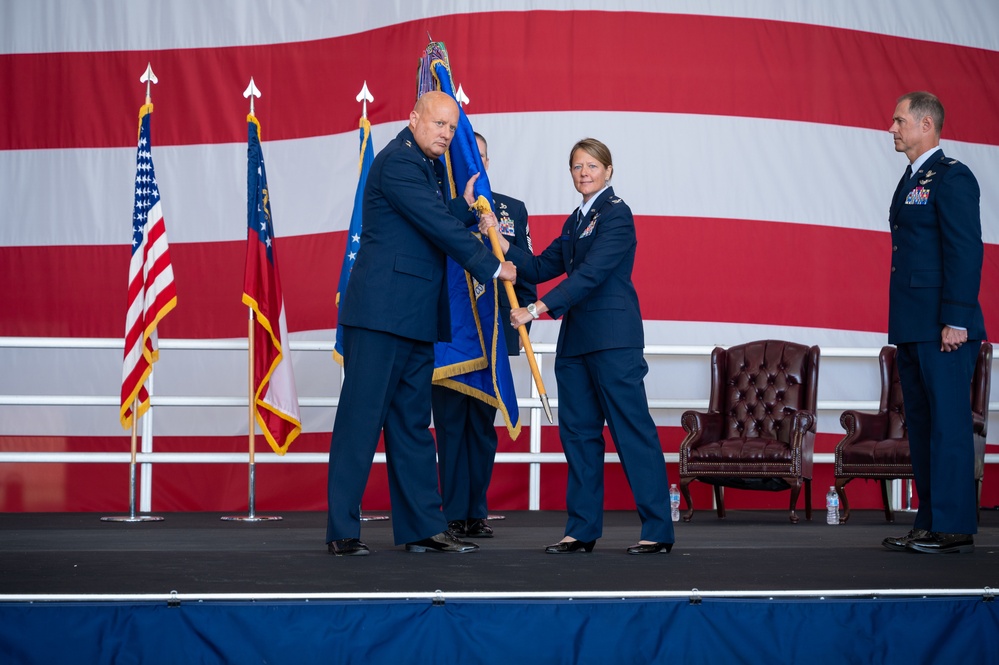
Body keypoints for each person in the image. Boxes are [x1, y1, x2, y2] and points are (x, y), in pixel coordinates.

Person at [326, 91, 517, 556]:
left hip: (414, 318)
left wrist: (463, 203)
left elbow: (421, 220)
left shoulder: (424, 167)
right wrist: (492, 265)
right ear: (414, 120)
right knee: (361, 421)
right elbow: (432, 224)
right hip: (380, 315)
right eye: (439, 124)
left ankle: (420, 529)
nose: (447, 135)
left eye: (452, 128)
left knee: (412, 425)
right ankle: (342, 532)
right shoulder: (398, 161)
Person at [481, 138, 674, 555]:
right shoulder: (575, 221)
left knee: (631, 431)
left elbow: (592, 274)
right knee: (579, 436)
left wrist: (537, 307)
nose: (583, 173)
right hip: (576, 344)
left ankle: (657, 530)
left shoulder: (617, 215)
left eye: (591, 165)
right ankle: (582, 530)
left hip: (613, 341)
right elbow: (536, 265)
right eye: (576, 167)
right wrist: (499, 238)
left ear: (608, 170)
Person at [881, 91, 986, 555]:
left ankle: (954, 524)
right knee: (921, 427)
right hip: (912, 325)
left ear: (926, 124)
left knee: (949, 425)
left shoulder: (952, 177)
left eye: (900, 120)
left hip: (944, 326)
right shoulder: (911, 179)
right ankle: (929, 520)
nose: (892, 128)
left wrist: (957, 319)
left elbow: (966, 250)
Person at [431, 132, 537, 539]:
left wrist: (524, 315)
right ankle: (453, 514)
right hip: (451, 339)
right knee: (451, 428)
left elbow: (527, 265)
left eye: (479, 158)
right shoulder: (437, 207)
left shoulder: (511, 209)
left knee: (482, 429)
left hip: (493, 336)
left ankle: (476, 511)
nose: (472, 165)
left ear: (486, 163)